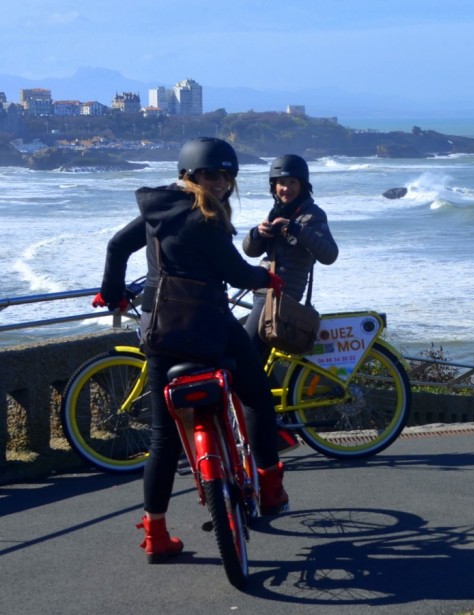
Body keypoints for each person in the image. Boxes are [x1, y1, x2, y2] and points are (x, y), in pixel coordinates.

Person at [93, 137, 290, 563]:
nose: (220, 183)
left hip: (161, 331)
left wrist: (110, 294)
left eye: (227, 176)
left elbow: (116, 247)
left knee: (164, 440)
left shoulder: (156, 212)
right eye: (212, 174)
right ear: (191, 175)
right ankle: (271, 487)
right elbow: (235, 273)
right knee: (256, 395)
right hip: (211, 328)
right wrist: (267, 279)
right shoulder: (206, 217)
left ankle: (156, 535)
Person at [241, 154, 338, 360]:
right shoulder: (275, 212)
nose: (286, 188)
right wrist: (257, 233)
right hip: (263, 289)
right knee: (246, 349)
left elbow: (329, 255)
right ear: (273, 186)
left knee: (246, 352)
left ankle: (255, 392)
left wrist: (297, 229)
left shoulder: (313, 215)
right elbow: (250, 251)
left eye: (292, 182)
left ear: (302, 184)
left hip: (282, 294)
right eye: (281, 183)